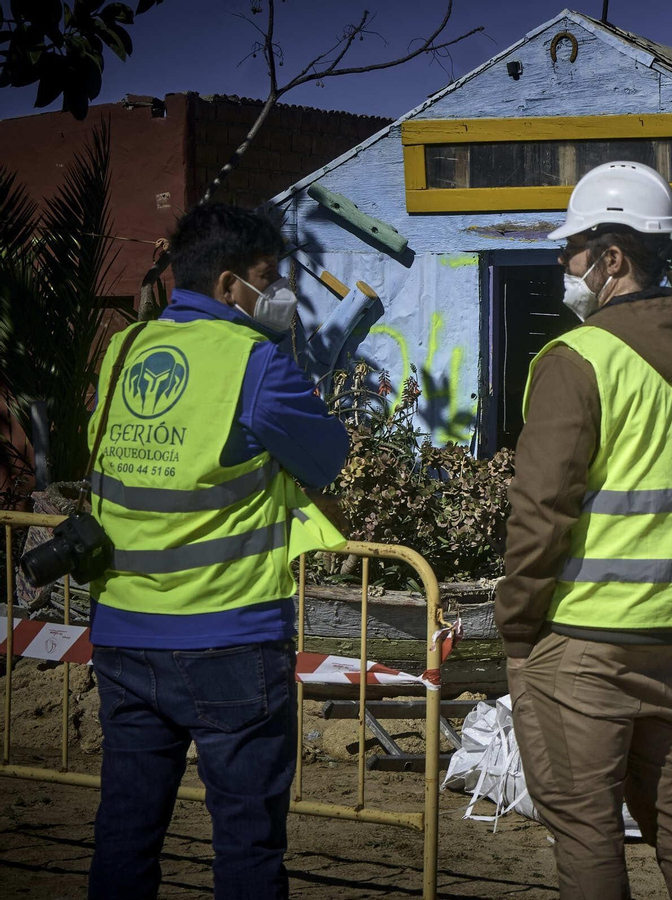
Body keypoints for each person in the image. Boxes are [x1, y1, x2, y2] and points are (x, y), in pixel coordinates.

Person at [496, 161, 672, 900]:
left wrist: (518, 628)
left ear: (614, 258)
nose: (562, 264)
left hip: (579, 642)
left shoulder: (578, 361)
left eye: (572, 248)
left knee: (584, 828)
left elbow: (540, 512)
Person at [86, 203, 349, 899]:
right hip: (230, 640)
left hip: (122, 635)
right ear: (232, 286)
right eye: (269, 278)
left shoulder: (123, 354)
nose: (279, 293)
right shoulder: (254, 362)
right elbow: (328, 455)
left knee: (125, 832)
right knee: (246, 846)